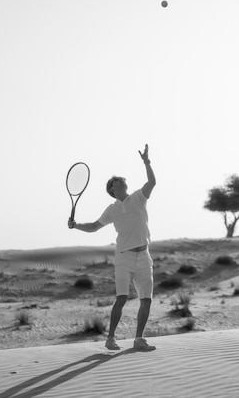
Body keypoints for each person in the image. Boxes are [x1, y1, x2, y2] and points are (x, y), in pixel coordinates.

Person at [68, 144, 156, 351]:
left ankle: (139, 339)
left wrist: (146, 162)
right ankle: (111, 338)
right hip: (123, 258)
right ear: (112, 189)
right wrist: (77, 225)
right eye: (117, 181)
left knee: (147, 300)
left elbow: (152, 181)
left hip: (144, 256)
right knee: (122, 298)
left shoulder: (139, 197)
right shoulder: (111, 210)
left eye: (122, 180)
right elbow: (94, 227)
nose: (121, 181)